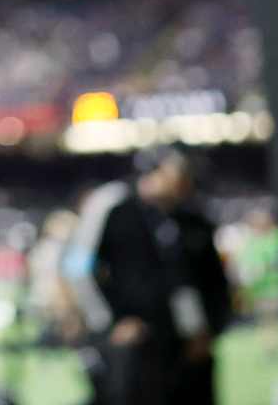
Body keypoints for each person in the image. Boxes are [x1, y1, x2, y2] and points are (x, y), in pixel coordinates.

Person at [64, 146, 231, 405]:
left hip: (182, 345)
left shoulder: (185, 218)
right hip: (135, 344)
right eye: (178, 173)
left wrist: (200, 329)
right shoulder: (113, 204)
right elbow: (77, 268)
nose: (185, 183)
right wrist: (111, 322)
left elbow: (186, 283)